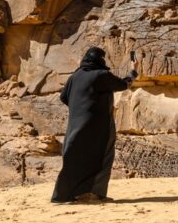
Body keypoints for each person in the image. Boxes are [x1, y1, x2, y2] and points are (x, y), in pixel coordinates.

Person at [51, 47, 137, 203]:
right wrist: (133, 72)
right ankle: (95, 193)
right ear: (100, 60)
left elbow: (64, 98)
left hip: (75, 125)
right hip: (98, 126)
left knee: (74, 158)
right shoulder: (101, 75)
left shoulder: (75, 76)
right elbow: (124, 85)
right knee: (103, 156)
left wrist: (80, 108)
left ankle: (64, 195)